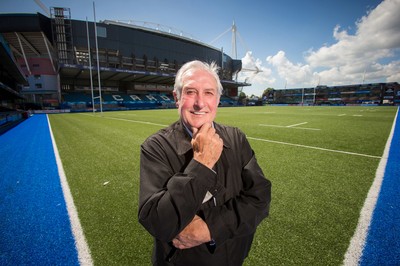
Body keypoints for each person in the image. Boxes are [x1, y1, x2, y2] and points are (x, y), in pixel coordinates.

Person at [138, 60, 271, 266]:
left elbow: (260, 198)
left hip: (234, 258)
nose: (200, 103)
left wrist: (211, 227)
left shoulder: (236, 138)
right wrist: (201, 163)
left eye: (208, 93)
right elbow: (160, 222)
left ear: (217, 99)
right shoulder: (156, 147)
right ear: (177, 98)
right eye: (190, 92)